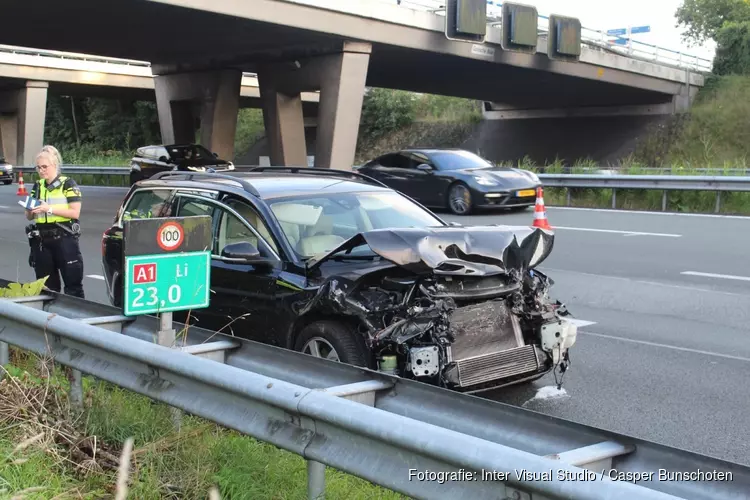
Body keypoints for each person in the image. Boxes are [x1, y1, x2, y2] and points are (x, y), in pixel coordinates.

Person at [24, 148, 85, 298]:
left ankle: (74, 319)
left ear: (54, 165)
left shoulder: (68, 184)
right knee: (46, 288)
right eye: (38, 167)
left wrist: (48, 209)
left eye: (45, 166)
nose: (41, 170)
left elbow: (75, 212)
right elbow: (28, 216)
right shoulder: (37, 186)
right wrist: (32, 210)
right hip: (42, 242)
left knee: (73, 286)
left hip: (64, 238)